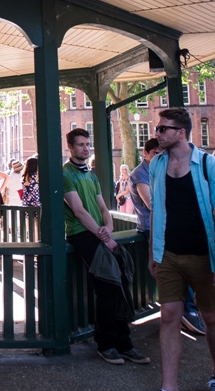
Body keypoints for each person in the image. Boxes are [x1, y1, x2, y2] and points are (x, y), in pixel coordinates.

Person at [148, 108, 215, 391]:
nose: (157, 133)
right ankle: (168, 386)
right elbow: (156, 211)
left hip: (202, 255)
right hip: (168, 253)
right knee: (169, 314)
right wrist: (153, 254)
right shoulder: (157, 164)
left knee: (209, 315)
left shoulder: (210, 165)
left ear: (180, 133)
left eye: (162, 129)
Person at [62, 128, 148, 367]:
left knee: (119, 282)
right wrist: (103, 236)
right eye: (80, 144)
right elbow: (78, 211)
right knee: (109, 286)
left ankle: (124, 343)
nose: (85, 148)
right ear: (70, 147)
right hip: (82, 234)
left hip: (100, 234)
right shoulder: (66, 174)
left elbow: (102, 207)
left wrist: (108, 226)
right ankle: (107, 344)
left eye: (87, 144)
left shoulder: (91, 175)